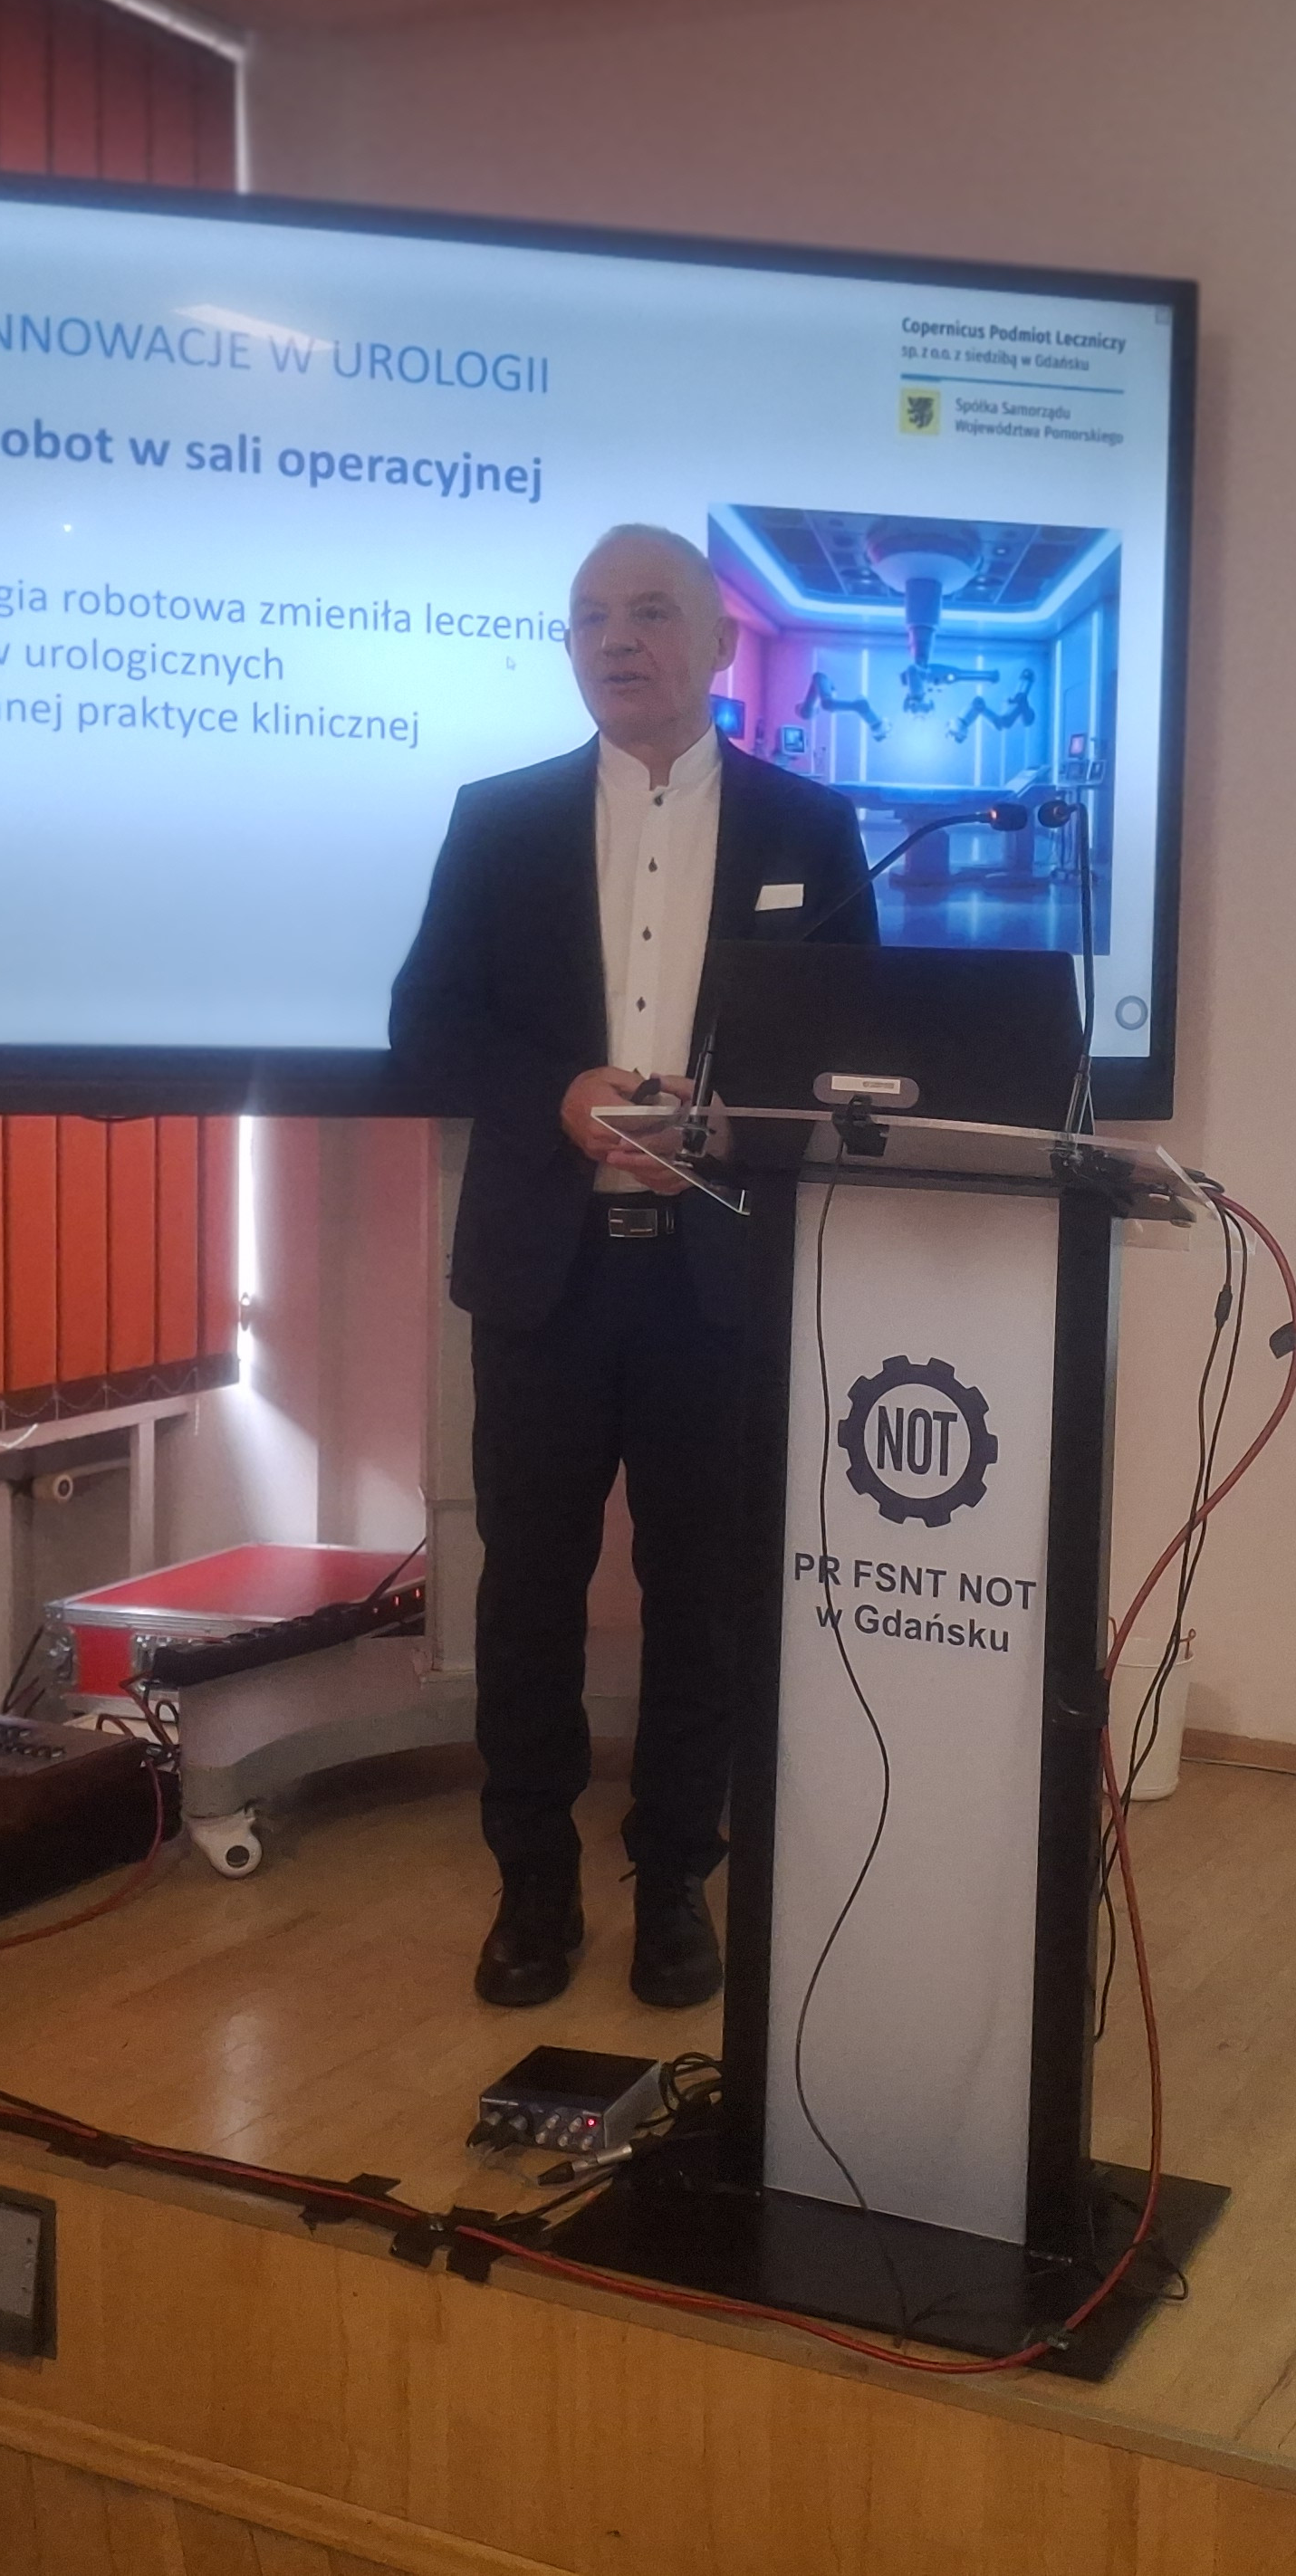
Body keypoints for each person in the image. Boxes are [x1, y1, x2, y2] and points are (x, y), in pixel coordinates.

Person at [389, 524, 876, 2008]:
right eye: (590, 616)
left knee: (703, 1599)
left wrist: (733, 1124)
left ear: (718, 642)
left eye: (651, 611)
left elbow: (856, 1049)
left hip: (716, 1279)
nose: (616, 639)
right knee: (526, 1594)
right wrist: (560, 1094)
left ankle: (675, 1885)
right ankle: (531, 1889)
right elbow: (426, 1028)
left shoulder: (809, 827)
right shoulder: (500, 821)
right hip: (547, 1276)